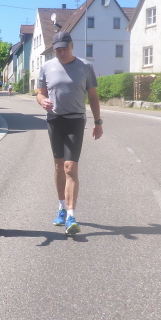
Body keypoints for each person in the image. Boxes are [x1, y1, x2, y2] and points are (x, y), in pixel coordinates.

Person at [36, 31, 103, 235]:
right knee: (58, 165)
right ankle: (61, 208)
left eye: (64, 49)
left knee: (70, 167)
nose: (61, 53)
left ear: (72, 46)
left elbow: (93, 96)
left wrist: (98, 122)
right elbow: (40, 93)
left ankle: (71, 215)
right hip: (54, 120)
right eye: (58, 50)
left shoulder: (85, 66)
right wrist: (42, 101)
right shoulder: (46, 67)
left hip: (75, 120)